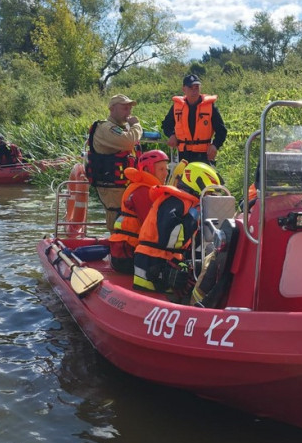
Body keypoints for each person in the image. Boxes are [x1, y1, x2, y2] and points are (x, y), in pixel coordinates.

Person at [133, 162, 221, 299]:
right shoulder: (175, 202)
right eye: (209, 192)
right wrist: (193, 217)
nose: (210, 196)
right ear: (199, 183)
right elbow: (170, 240)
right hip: (151, 267)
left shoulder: (185, 202)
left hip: (165, 263)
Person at [86, 94, 143, 231]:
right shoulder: (106, 128)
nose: (128, 112)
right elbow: (129, 141)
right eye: (124, 108)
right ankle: (116, 247)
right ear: (112, 109)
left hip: (123, 184)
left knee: (127, 218)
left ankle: (123, 246)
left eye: (130, 108)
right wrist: (136, 125)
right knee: (117, 218)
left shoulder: (121, 128)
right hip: (111, 185)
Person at [108, 150, 169, 274]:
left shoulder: (145, 188)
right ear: (147, 170)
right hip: (128, 255)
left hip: (129, 251)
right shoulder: (143, 191)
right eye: (161, 169)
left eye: (166, 169)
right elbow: (153, 227)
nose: (166, 173)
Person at [162, 74, 228, 164]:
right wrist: (172, 135)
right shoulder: (177, 107)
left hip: (204, 155)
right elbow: (166, 125)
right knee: (184, 178)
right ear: (184, 89)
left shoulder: (210, 107)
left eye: (196, 87)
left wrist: (215, 145)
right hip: (184, 155)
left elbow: (222, 130)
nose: (194, 91)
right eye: (190, 87)